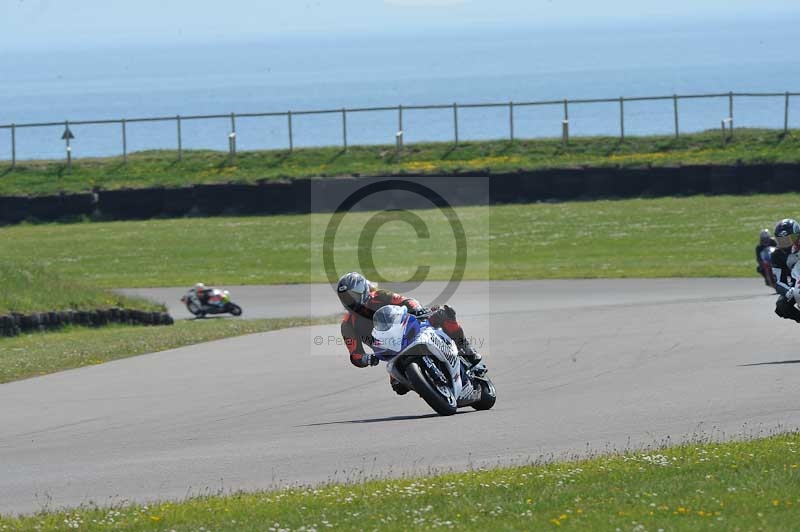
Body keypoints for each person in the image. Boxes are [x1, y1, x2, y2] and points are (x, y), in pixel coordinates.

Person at [336, 271, 485, 395]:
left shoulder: (380, 296)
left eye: (352, 296)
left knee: (443, 313)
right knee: (399, 388)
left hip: (410, 331)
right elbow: (355, 353)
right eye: (344, 298)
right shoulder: (347, 325)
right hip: (390, 352)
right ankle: (432, 388)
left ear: (363, 290)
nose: (348, 301)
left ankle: (468, 351)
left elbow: (406, 300)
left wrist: (417, 309)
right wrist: (366, 359)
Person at [770, 219, 800, 323]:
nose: (786, 244)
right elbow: (777, 281)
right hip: (795, 284)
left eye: (788, 240)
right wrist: (788, 291)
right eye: (782, 241)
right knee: (781, 306)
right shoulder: (776, 255)